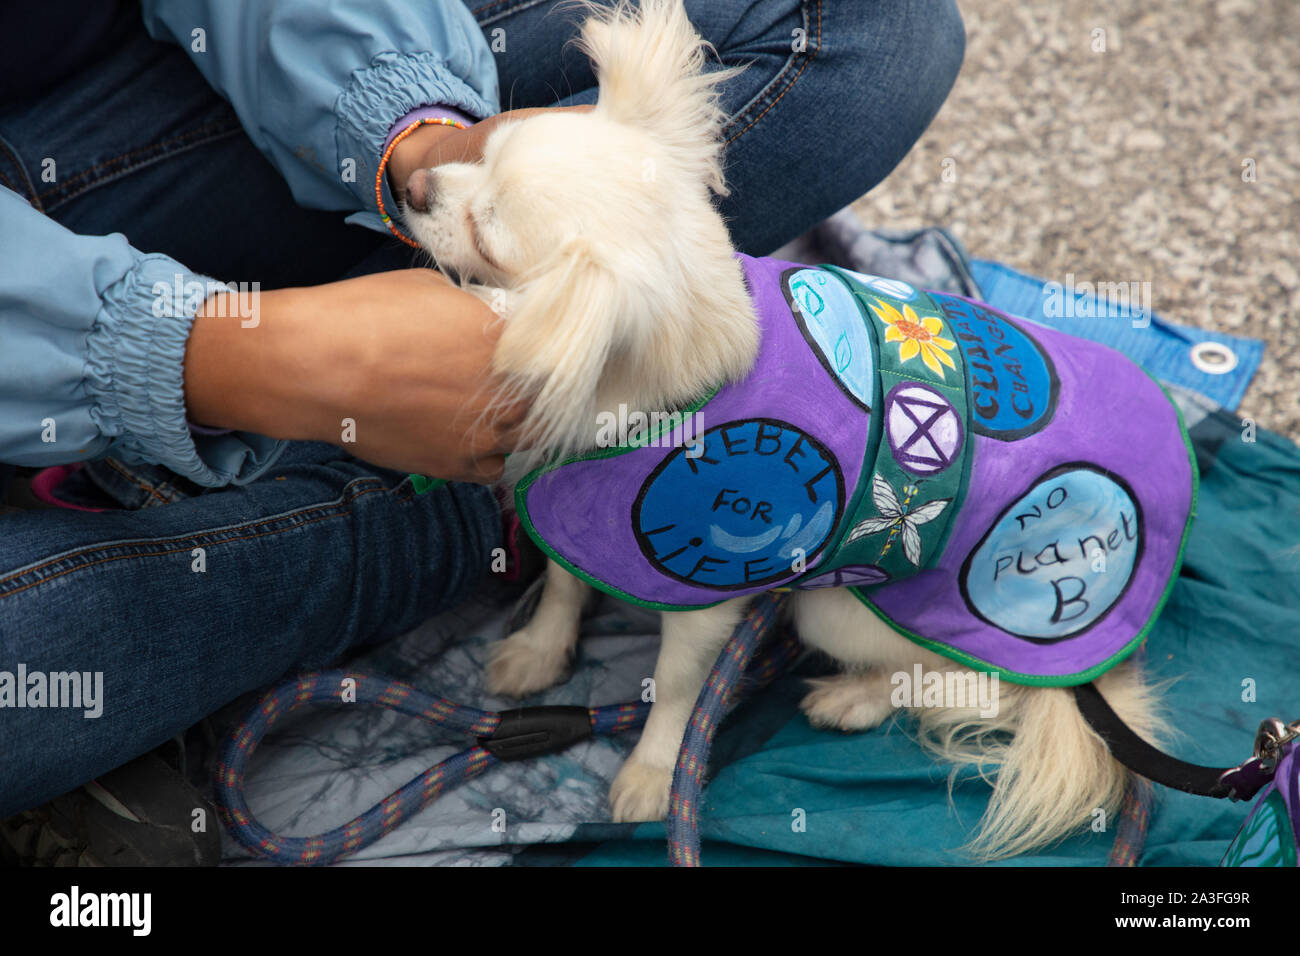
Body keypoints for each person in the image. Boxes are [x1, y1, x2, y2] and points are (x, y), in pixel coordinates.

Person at [0, 0, 965, 851]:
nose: (439, 200)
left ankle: (470, 456)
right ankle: (452, 488)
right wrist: (212, 356)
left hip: (95, 119)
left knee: (875, 27)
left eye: (491, 208)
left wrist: (407, 126)